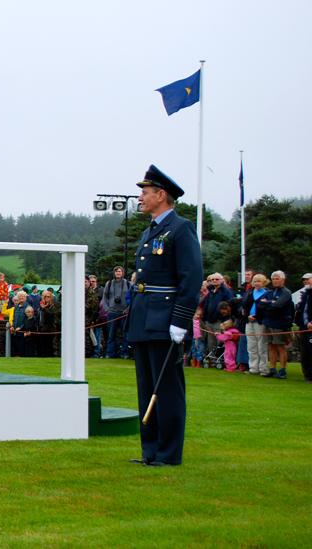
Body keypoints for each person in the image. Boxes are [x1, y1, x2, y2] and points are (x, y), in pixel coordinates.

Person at [126, 165, 203, 467]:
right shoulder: (150, 231)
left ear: (161, 195)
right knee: (147, 386)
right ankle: (151, 451)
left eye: (145, 193)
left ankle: (169, 453)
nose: (140, 198)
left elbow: (191, 276)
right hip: (145, 316)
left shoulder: (180, 228)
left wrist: (180, 321)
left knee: (167, 388)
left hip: (166, 318)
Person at [259, 270, 293, 379]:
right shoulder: (270, 292)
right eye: (273, 279)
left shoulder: (286, 292)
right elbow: (260, 304)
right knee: (270, 346)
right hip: (268, 322)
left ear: (283, 280)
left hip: (280, 323)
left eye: (277, 278)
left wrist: (268, 303)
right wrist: (271, 303)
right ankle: (272, 369)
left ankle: (282, 370)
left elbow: (278, 305)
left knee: (280, 346)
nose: (274, 281)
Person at [199, 273, 234, 367]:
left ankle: (221, 360)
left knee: (220, 342)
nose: (214, 281)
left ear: (222, 280)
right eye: (213, 279)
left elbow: (229, 305)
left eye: (217, 279)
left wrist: (224, 319)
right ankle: (212, 360)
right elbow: (205, 304)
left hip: (219, 321)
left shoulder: (226, 291)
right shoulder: (210, 291)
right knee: (211, 342)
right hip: (209, 321)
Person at [243, 273, 270, 376]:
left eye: (259, 281)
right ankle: (253, 368)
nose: (256, 283)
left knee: (261, 345)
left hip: (260, 322)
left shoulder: (267, 293)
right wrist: (247, 316)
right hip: (249, 321)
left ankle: (263, 368)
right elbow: (244, 306)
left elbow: (267, 308)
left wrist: (256, 316)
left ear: (263, 282)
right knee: (251, 345)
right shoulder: (249, 292)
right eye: (255, 281)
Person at [102, 266, 131, 359]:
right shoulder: (109, 283)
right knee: (111, 335)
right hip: (112, 313)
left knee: (125, 335)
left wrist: (128, 309)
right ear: (114, 273)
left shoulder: (127, 283)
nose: (118, 273)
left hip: (124, 313)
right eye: (116, 271)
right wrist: (107, 309)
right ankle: (110, 353)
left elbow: (132, 298)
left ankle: (124, 353)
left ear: (123, 273)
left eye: (120, 271)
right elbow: (104, 298)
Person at [213, 301, 241, 371]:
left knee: (229, 357)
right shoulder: (231, 331)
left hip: (230, 347)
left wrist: (217, 335)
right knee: (228, 356)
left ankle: (231, 367)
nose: (223, 325)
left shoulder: (229, 332)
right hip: (229, 347)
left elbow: (223, 337)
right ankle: (230, 367)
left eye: (225, 324)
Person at [298, 273, 312, 383]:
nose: (306, 282)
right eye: (304, 280)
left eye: (308, 280)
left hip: (310, 326)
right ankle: (307, 374)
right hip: (303, 327)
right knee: (305, 351)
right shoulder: (305, 293)